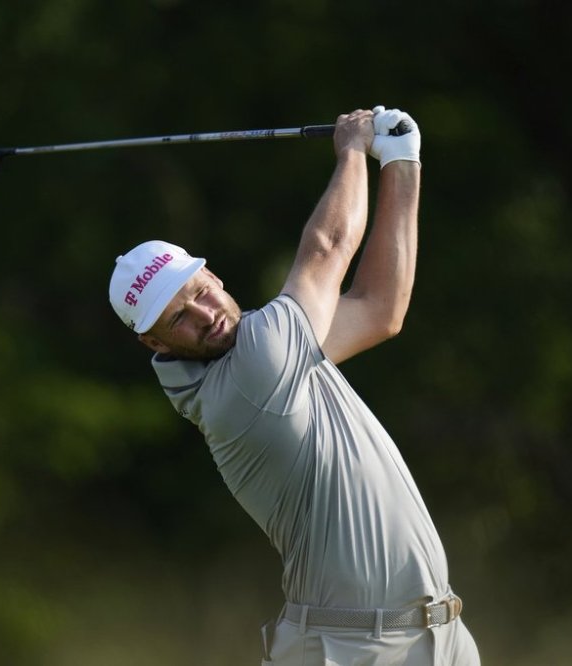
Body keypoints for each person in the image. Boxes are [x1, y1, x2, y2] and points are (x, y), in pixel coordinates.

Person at [108, 107, 480, 665]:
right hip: (349, 649)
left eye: (197, 292)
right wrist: (353, 149)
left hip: (438, 638)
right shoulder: (253, 373)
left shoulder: (274, 353)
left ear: (212, 275)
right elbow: (328, 248)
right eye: (178, 318)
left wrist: (402, 163)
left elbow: (381, 310)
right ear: (156, 345)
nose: (204, 314)